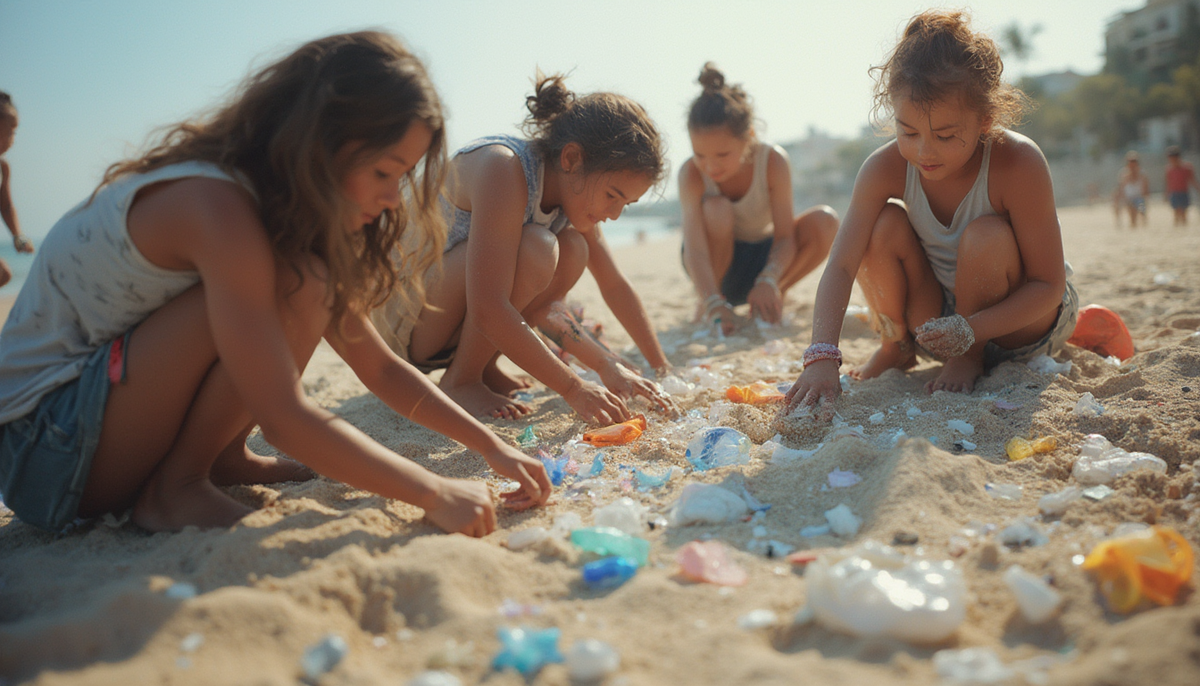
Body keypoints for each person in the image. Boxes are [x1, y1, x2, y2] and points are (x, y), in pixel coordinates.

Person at [0, 32, 551, 536]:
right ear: (322, 142)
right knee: (301, 281)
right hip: (45, 449)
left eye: (400, 177)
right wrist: (432, 490)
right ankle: (177, 489)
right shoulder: (215, 208)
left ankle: (220, 459)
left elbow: (380, 366)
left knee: (309, 278)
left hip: (93, 427)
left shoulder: (274, 215)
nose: (391, 199)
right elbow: (285, 417)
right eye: (383, 173)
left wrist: (491, 448)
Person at [785, 9, 1078, 412]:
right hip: (942, 323)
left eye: (944, 135)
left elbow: (1048, 286)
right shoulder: (883, 169)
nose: (924, 151)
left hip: (1021, 325)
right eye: (908, 132)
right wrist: (821, 357)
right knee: (880, 224)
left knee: (985, 235)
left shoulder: (1019, 163)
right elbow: (840, 266)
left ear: (985, 120)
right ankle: (897, 345)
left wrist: (970, 334)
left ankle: (969, 357)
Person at [372, 73, 676, 422]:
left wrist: (652, 366)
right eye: (612, 196)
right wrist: (574, 388)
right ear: (572, 159)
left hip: (449, 320)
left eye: (627, 204)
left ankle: (481, 368)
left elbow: (610, 285)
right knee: (537, 247)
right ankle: (461, 380)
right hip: (406, 321)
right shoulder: (503, 168)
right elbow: (489, 307)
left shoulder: (576, 195)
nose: (615, 214)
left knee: (574, 246)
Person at [680, 63, 838, 335]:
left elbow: (785, 236)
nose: (710, 166)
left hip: (762, 257)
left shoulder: (772, 161)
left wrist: (769, 278)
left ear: (749, 137)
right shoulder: (691, 174)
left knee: (825, 220)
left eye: (722, 155)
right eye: (700, 154)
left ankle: (771, 295)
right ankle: (710, 301)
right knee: (717, 208)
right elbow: (694, 250)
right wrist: (711, 298)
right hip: (713, 266)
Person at [0, 92, 34, 289]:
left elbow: (5, 206)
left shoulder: (3, 168)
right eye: (10, 130)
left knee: (3, 274)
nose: (13, 138)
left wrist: (18, 236)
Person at [1164, 145, 1200, 226]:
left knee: (1184, 212)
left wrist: (1198, 188)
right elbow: (1168, 183)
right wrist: (1166, 194)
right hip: (1174, 193)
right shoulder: (1169, 169)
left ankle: (1184, 227)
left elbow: (1192, 180)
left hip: (1184, 192)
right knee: (1176, 212)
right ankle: (1177, 228)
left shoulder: (1187, 167)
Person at [1114, 150, 1149, 228]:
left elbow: (1145, 186)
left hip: (1139, 197)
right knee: (1132, 215)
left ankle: (1143, 226)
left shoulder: (1142, 173)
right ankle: (1132, 226)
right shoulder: (1124, 173)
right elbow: (1121, 187)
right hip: (1129, 198)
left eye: (1134, 161)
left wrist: (1145, 196)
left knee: (1142, 212)